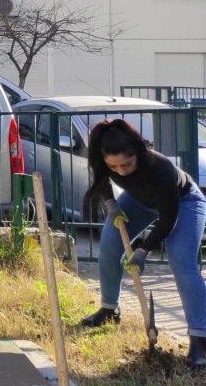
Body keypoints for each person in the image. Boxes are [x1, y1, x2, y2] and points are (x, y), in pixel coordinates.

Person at [79, 118, 206, 368]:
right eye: (114, 166)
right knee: (108, 244)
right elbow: (102, 180)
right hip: (139, 201)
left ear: (137, 151)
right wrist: (111, 205)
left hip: (184, 202)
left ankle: (200, 338)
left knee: (182, 261)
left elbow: (169, 218)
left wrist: (143, 251)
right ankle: (109, 309)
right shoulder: (104, 159)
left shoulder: (160, 169)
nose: (121, 171)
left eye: (126, 164)